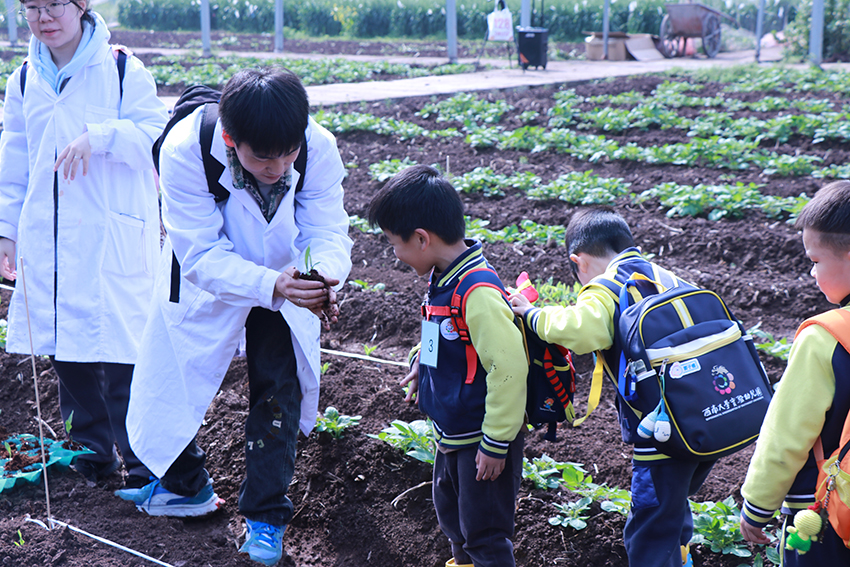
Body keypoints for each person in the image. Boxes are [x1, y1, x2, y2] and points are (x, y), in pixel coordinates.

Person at [117, 67, 352, 567]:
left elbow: (328, 229)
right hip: (209, 278)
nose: (278, 167)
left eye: (287, 154)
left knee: (278, 390)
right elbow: (201, 253)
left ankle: (265, 518)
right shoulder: (185, 149)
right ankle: (184, 486)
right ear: (230, 139)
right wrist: (267, 283)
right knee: (173, 374)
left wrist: (318, 277)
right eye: (262, 157)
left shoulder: (317, 147)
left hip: (288, 278)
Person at [0, 0, 167, 487]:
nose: (43, 18)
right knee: (66, 354)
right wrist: (6, 229)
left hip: (109, 236)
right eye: (31, 8)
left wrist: (101, 136)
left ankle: (144, 467)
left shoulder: (121, 70)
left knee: (122, 356)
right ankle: (92, 456)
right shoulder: (23, 79)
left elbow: (155, 135)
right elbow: (14, 159)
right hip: (50, 237)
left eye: (54, 5)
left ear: (82, 5)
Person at [509, 206, 709, 567]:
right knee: (672, 505)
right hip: (706, 418)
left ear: (578, 261)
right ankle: (681, 558)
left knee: (649, 529)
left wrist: (533, 314)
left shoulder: (608, 285)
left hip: (663, 428)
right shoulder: (666, 277)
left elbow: (582, 330)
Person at [367, 165, 528, 567]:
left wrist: (496, 443)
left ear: (422, 239)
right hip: (452, 433)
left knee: (485, 535)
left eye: (394, 243)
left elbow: (509, 370)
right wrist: (422, 361)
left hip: (481, 439)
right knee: (455, 523)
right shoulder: (443, 278)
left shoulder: (477, 291)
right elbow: (443, 333)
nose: (394, 254)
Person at [740, 181, 850, 565]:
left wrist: (757, 505)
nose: (812, 272)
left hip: (825, 513)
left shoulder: (825, 337)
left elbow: (785, 434)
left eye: (816, 260)